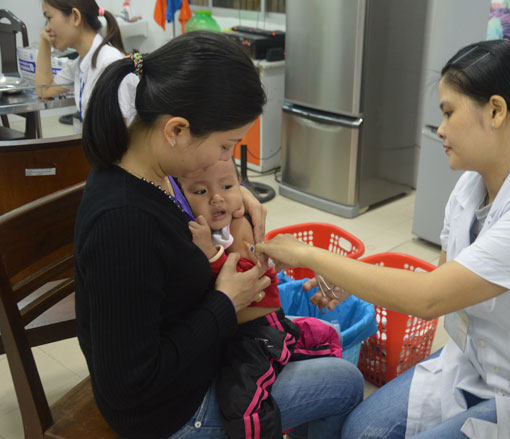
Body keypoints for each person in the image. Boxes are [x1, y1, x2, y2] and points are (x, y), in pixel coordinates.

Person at [256, 39, 510, 439]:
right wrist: (349, 280)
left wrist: (307, 254)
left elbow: (430, 298)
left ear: (496, 111)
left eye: (449, 113)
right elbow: (448, 275)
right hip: (480, 367)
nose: (441, 129)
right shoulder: (471, 186)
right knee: (363, 432)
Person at [74, 31, 363, 439]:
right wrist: (225, 303)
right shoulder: (123, 224)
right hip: (167, 412)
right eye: (226, 147)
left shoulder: (155, 170)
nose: (226, 162)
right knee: (345, 381)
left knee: (313, 340)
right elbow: (129, 385)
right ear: (176, 130)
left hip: (198, 352)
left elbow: (187, 228)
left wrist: (235, 196)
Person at [175, 159, 343, 439]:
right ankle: (313, 343)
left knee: (243, 401)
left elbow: (249, 276)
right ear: (181, 198)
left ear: (240, 192)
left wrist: (211, 255)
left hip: (257, 333)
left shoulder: (238, 224)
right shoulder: (199, 227)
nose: (217, 198)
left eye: (227, 187)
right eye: (200, 192)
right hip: (230, 331)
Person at [36, 0, 138, 132]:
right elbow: (43, 90)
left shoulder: (108, 63)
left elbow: (120, 137)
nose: (47, 28)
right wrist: (44, 42)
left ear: (75, 17)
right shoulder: (81, 62)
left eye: (49, 18)